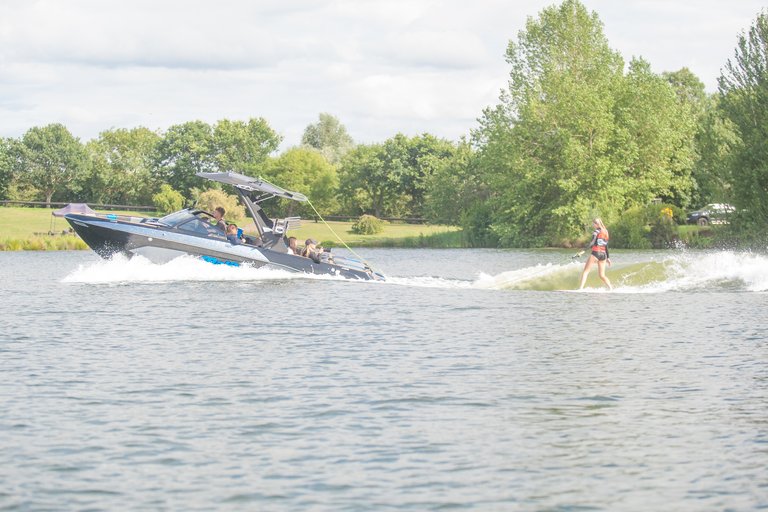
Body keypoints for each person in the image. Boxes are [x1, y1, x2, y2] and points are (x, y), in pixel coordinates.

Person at [578, 218, 612, 290]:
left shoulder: (596, 231)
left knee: (585, 271)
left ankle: (580, 288)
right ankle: (611, 288)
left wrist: (584, 250)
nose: (593, 225)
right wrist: (608, 258)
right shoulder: (606, 232)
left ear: (597, 224)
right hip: (603, 255)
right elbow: (606, 245)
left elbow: (592, 243)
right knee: (602, 275)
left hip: (596, 253)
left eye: (593, 224)